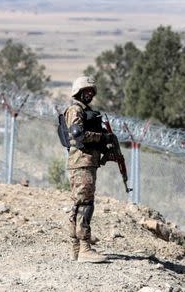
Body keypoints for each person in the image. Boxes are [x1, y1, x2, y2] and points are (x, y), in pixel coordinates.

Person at [64, 76, 114, 263]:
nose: (90, 94)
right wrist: (102, 138)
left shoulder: (87, 111)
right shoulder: (75, 109)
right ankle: (84, 248)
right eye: (87, 91)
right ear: (79, 92)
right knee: (85, 204)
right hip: (81, 163)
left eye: (92, 91)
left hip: (86, 162)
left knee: (80, 203)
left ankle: (76, 248)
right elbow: (78, 135)